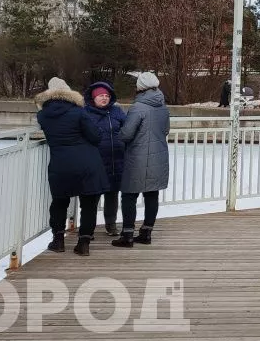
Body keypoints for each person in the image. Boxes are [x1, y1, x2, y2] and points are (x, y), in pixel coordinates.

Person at [35, 77, 109, 257]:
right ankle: (83, 243)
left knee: (59, 202)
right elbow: (95, 136)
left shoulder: (43, 115)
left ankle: (58, 240)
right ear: (69, 93)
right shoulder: (79, 112)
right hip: (87, 164)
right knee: (89, 203)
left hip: (61, 164)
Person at [114, 72, 171, 247]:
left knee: (129, 195)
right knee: (152, 194)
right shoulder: (163, 107)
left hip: (137, 157)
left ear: (140, 87)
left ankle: (128, 235)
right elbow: (166, 130)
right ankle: (146, 233)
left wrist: (118, 133)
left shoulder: (138, 107)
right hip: (159, 155)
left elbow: (126, 134)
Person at [83, 81, 126, 236]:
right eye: (101, 95)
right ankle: (89, 228)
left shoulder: (117, 112)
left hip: (116, 161)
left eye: (107, 96)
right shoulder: (85, 113)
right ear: (93, 98)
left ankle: (111, 224)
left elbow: (126, 128)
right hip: (95, 162)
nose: (104, 98)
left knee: (112, 195)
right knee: (92, 197)